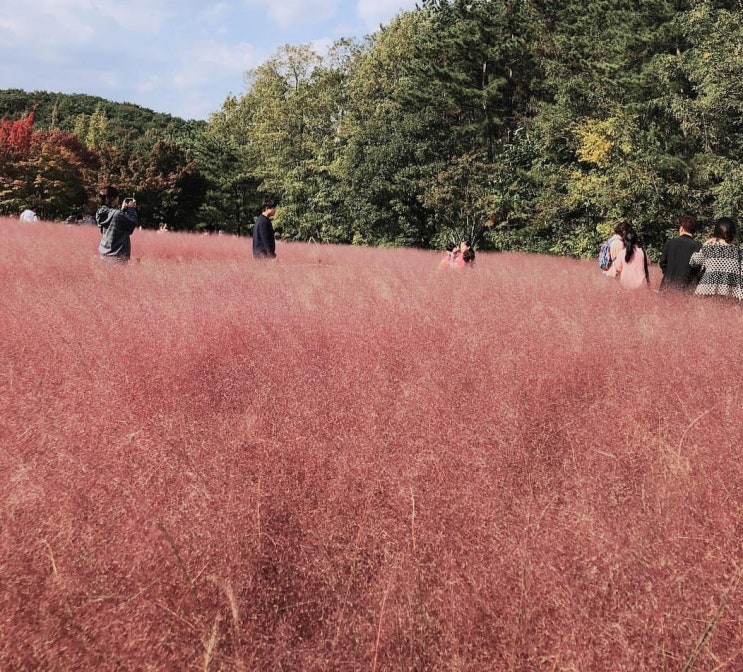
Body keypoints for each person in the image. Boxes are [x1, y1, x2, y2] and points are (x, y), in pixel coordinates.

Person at [688, 217, 743, 301]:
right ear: (733, 233)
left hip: (707, 293)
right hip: (731, 296)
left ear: (717, 232)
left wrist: (705, 244)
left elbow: (693, 261)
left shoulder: (709, 249)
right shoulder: (739, 252)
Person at [659, 214, 702, 291]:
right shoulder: (698, 246)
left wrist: (669, 274)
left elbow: (662, 263)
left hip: (667, 286)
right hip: (688, 289)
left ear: (681, 228)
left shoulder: (670, 243)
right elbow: (699, 270)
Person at [96, 186, 138, 261]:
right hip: (117, 257)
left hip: (104, 255)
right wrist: (132, 209)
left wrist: (122, 210)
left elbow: (114, 221)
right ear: (113, 198)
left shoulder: (100, 212)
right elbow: (132, 223)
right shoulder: (118, 214)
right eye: (118, 197)